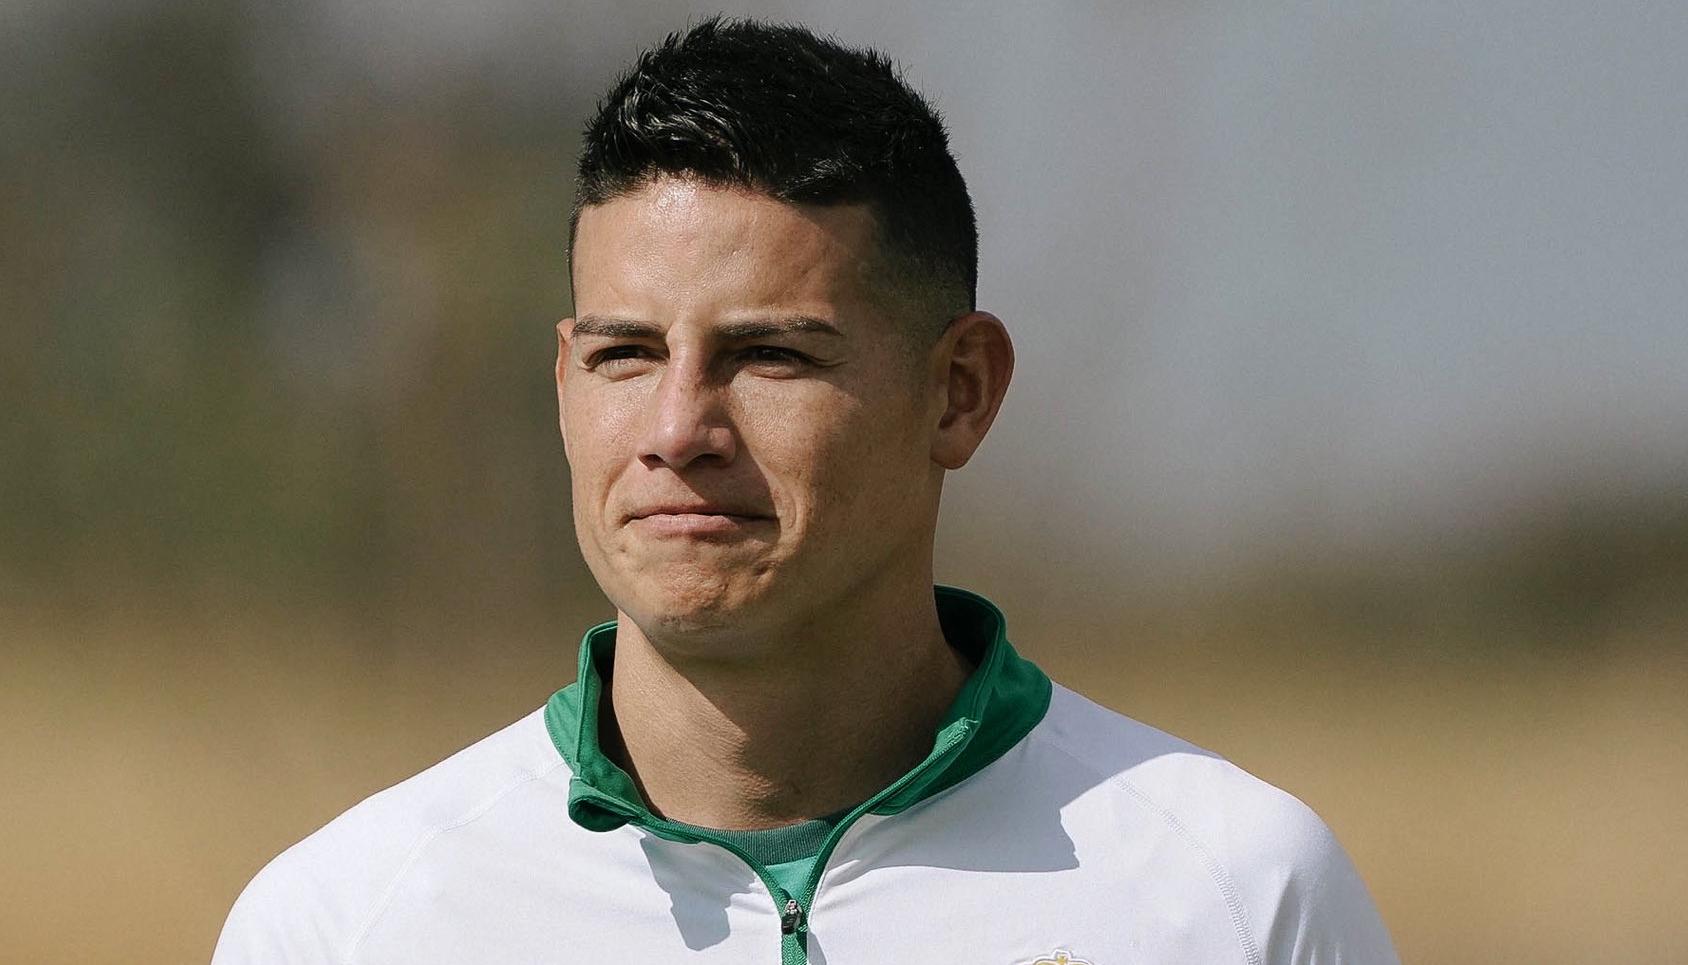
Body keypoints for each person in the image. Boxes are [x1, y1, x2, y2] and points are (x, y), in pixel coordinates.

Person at [213, 18, 1398, 964]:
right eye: (624, 354)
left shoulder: (1237, 897)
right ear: (564, 381)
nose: (677, 428)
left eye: (770, 354)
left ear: (960, 392)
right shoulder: (348, 924)